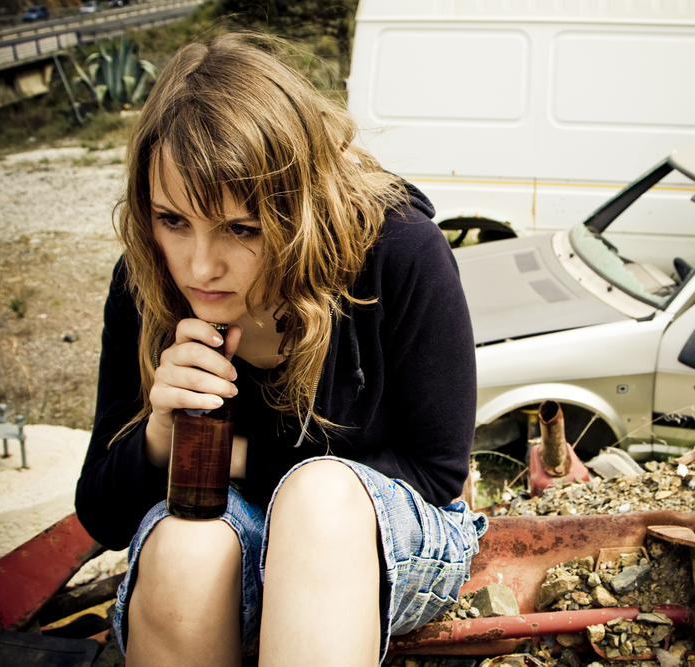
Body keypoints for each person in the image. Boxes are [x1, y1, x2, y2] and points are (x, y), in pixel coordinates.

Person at [74, 32, 487, 666]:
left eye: (240, 229)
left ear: (299, 210)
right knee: (186, 552)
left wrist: (231, 456)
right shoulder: (144, 284)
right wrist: (161, 432)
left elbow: (437, 475)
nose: (199, 266)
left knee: (318, 502)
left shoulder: (399, 253)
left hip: (387, 531)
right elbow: (101, 514)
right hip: (234, 535)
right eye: (172, 220)